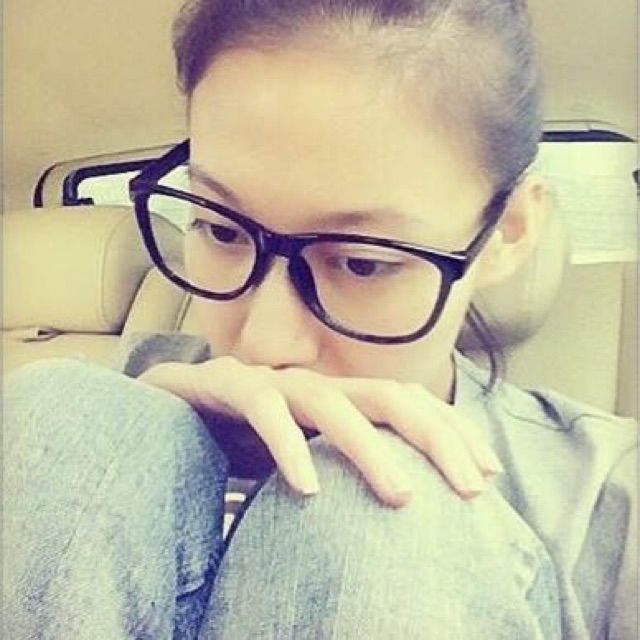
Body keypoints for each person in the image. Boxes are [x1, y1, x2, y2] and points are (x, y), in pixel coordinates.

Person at [4, 0, 637, 638]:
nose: (263, 342)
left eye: (362, 263)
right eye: (220, 229)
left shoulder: (606, 503)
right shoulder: (98, 405)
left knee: (376, 503)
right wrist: (124, 448)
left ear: (508, 231)